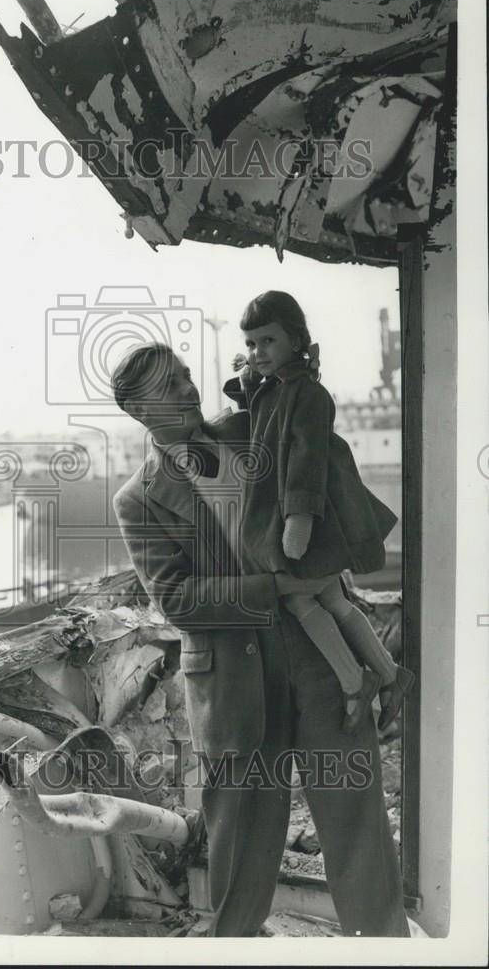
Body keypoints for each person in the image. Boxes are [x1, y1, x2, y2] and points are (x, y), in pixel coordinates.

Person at [111, 341, 410, 938]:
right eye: (170, 387)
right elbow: (177, 602)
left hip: (322, 663)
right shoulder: (137, 499)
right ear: (141, 412)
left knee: (359, 837)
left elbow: (311, 440)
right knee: (238, 858)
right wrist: (274, 586)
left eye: (187, 376)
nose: (189, 389)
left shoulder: (250, 432)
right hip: (233, 688)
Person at [222, 290, 414, 734]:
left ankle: (354, 682)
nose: (258, 352)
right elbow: (255, 412)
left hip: (305, 520)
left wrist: (298, 521)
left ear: (295, 338)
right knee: (329, 597)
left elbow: (306, 463)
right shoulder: (275, 390)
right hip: (286, 515)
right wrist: (249, 378)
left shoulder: (309, 394)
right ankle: (388, 673)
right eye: (251, 344)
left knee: (297, 595)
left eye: (267, 341)